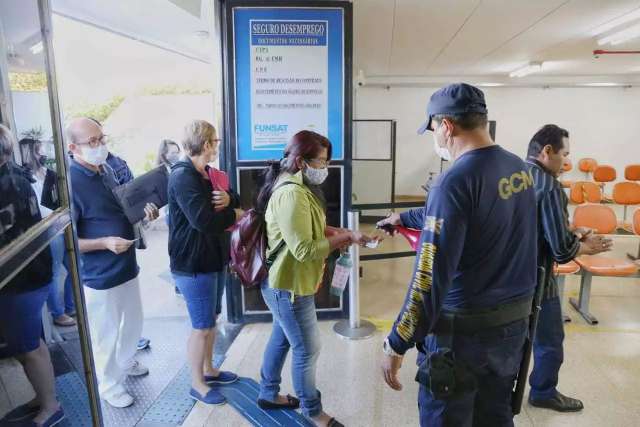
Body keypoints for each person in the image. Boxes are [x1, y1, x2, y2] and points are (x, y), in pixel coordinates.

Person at [378, 83, 538, 426]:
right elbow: (470, 212)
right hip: (510, 332)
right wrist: (404, 217)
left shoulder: (453, 182)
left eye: (434, 129)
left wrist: (396, 342)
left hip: (462, 341)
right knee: (494, 417)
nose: (435, 136)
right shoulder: (519, 169)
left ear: (446, 126)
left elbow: (428, 280)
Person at [256, 130, 371, 427]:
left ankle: (268, 392)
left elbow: (311, 229)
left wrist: (346, 235)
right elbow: (305, 249)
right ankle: (312, 410)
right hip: (289, 287)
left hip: (283, 283)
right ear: (301, 161)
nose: (325, 169)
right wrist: (339, 239)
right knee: (307, 349)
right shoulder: (292, 193)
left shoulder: (298, 186)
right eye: (321, 162)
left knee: (282, 338)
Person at [66, 117, 159, 408]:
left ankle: (125, 360)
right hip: (99, 273)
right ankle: (108, 385)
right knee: (104, 332)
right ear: (72, 147)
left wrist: (145, 214)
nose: (100, 146)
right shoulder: (71, 183)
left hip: (126, 264)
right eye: (92, 142)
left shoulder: (107, 170)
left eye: (102, 138)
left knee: (132, 321)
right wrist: (104, 243)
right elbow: (67, 242)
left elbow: (122, 210)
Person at [525, 124, 612, 412]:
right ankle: (543, 392)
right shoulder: (550, 187)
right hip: (537, 278)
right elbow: (561, 252)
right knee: (550, 340)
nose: (567, 162)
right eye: (565, 154)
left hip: (507, 276)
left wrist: (573, 231)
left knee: (511, 341)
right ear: (547, 151)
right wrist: (586, 246)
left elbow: (535, 226)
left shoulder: (514, 176)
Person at [168, 120, 242, 405]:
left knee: (211, 321)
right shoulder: (183, 176)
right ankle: (197, 383)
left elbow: (230, 194)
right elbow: (203, 221)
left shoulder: (207, 172)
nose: (217, 147)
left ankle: (210, 370)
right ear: (206, 144)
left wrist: (229, 199)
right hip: (193, 264)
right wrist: (235, 214)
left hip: (214, 258)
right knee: (201, 326)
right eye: (215, 142)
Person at [0, 124, 65, 426]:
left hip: (20, 279)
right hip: (26, 276)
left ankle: (50, 405)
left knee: (27, 347)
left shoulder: (9, 182)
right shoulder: (14, 175)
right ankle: (43, 396)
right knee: (30, 343)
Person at [19, 137, 76, 328]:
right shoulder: (25, 177)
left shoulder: (48, 172)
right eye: (37, 150)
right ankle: (58, 313)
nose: (41, 153)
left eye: (41, 149)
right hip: (49, 229)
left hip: (63, 224)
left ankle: (71, 305)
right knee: (54, 271)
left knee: (77, 267)